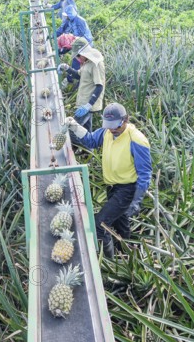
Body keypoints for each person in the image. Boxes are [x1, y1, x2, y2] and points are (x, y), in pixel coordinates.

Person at [65, 103, 152, 258]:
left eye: (116, 126)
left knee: (100, 225)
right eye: (109, 126)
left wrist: (136, 201)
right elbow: (91, 141)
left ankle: (109, 261)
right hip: (112, 186)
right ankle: (126, 255)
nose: (112, 129)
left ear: (125, 120)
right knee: (120, 222)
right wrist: (75, 127)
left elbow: (145, 174)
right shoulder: (107, 132)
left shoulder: (137, 140)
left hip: (126, 189)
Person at [57, 37, 104, 136]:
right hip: (83, 102)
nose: (78, 58)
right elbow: (79, 75)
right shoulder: (86, 63)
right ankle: (89, 150)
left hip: (87, 105)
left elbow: (99, 86)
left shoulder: (95, 64)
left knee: (72, 132)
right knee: (86, 131)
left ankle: (82, 147)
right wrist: (67, 68)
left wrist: (88, 105)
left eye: (78, 55)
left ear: (84, 53)